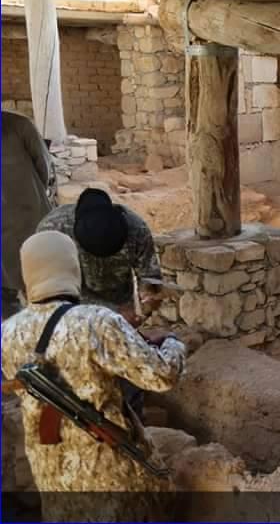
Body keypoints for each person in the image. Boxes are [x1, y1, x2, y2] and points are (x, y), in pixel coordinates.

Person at [1, 230, 185, 521]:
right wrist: (173, 342)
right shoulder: (95, 321)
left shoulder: (7, 333)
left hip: (53, 478)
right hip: (111, 480)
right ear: (73, 268)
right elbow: (162, 376)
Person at [36, 188, 160, 320]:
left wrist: (145, 308)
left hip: (120, 307)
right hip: (71, 314)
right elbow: (47, 292)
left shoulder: (137, 230)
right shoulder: (52, 230)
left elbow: (150, 279)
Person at [2, 111, 55, 319]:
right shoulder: (19, 125)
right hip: (30, 216)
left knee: (7, 294)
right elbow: (44, 166)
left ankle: (15, 338)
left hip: (26, 219)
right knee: (41, 286)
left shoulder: (19, 126)